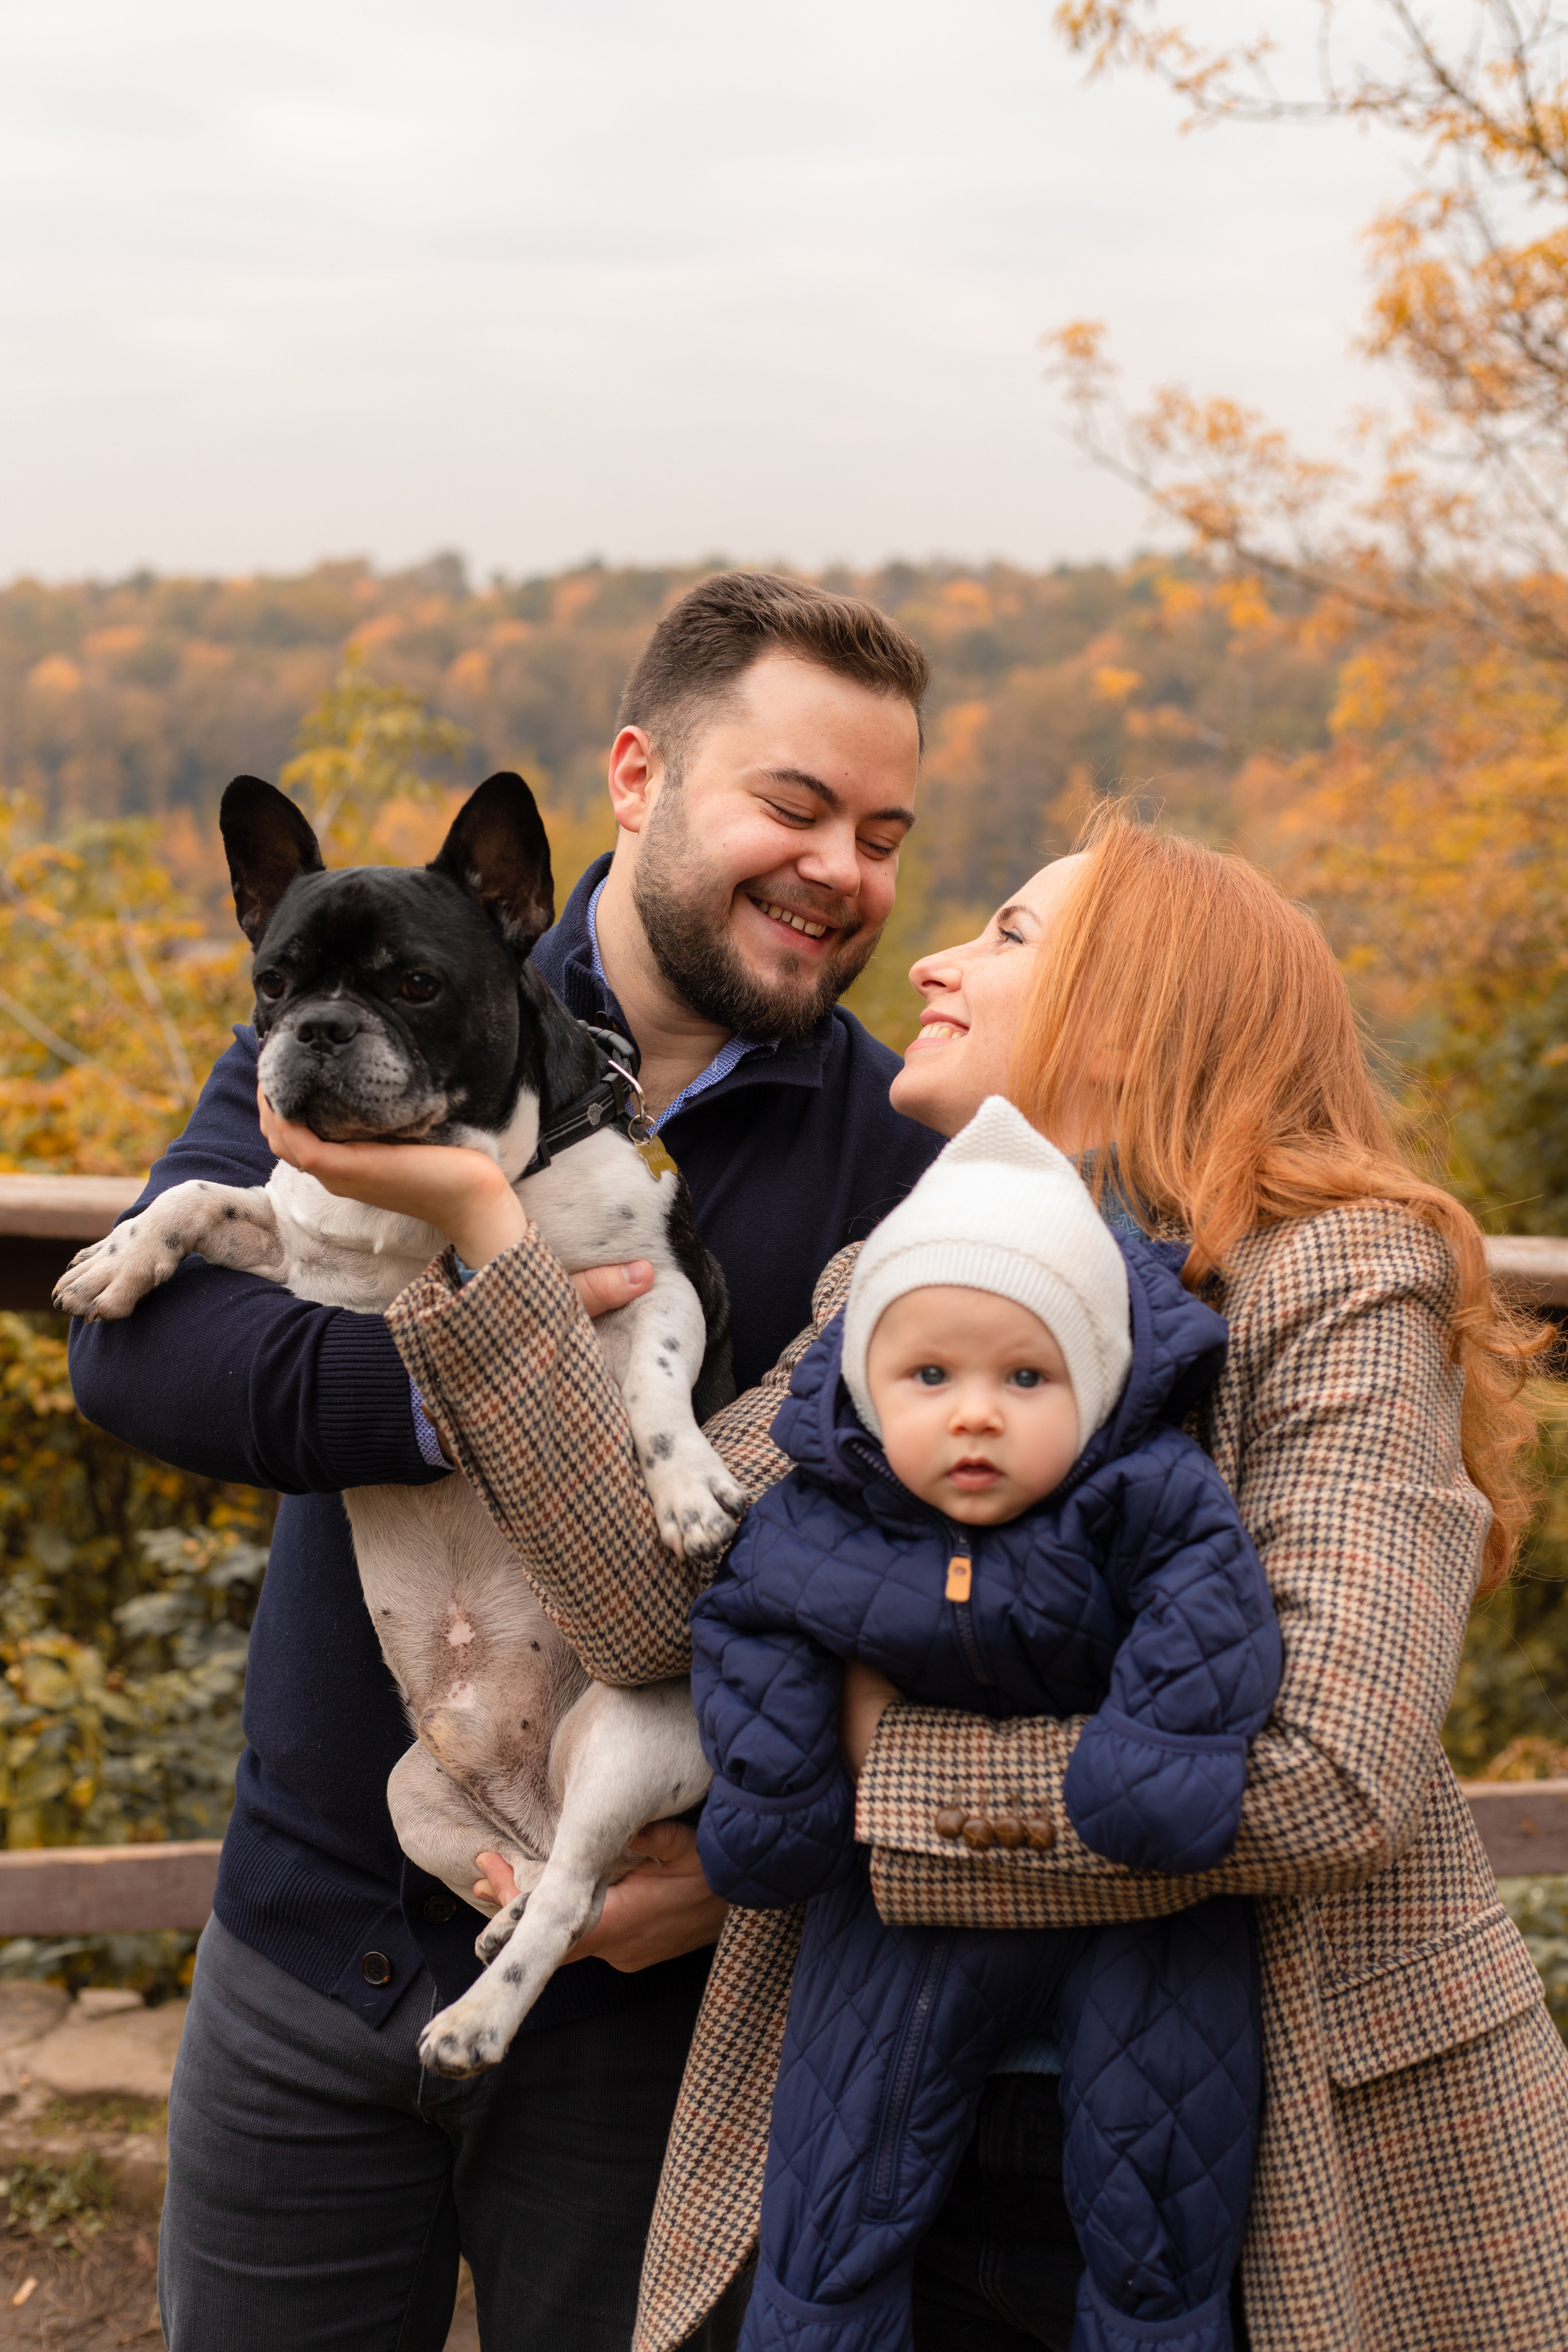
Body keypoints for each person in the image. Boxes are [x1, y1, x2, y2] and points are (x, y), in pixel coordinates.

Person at [297, 803, 1568, 2352]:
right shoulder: (888, 1279)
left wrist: (859, 1772)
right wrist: (485, 1232)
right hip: (882, 2096)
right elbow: (646, 1614)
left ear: (1140, 1009)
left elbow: (1322, 1777)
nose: (933, 960)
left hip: (1259, 2145)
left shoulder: (1340, 1275)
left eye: (1009, 933)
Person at [66, 570, 944, 2352]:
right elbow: (143, 1352)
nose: (838, 870)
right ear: (635, 778)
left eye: (880, 836)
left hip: (660, 1998)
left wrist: (762, 1851)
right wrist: (468, 1378)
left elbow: (923, 1571)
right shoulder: (373, 987)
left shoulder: (897, 1148)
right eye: (793, 806)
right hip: (315, 1923)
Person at [688, 1097, 1281, 2352]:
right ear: (866, 1387)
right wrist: (777, 1793)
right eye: (929, 1377)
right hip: (898, 1918)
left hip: (1140, 1918)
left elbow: (1208, 1612)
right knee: (835, 2194)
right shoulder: (819, 1517)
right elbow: (745, 1625)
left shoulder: (1145, 1494)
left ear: (1099, 1384)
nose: (975, 1414)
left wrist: (1155, 1764)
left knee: (1159, 2201)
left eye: (1026, 1377)